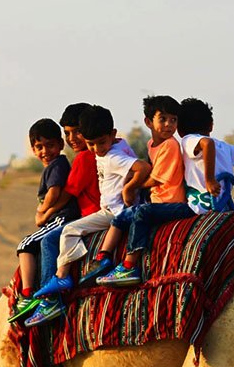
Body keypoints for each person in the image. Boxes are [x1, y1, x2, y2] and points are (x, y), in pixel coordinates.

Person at [26, 105, 151, 326]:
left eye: (76, 132)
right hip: (108, 209)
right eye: (68, 133)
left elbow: (67, 193)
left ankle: (50, 298)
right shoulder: (110, 149)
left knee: (49, 241)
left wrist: (44, 213)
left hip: (101, 212)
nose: (73, 138)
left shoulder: (88, 157)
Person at [86, 95, 189, 286]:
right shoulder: (152, 145)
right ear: (148, 122)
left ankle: (129, 265)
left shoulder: (170, 145)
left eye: (173, 120)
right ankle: (103, 257)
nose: (169, 125)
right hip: (158, 202)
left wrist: (131, 186)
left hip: (173, 203)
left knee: (141, 212)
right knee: (122, 217)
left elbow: (155, 178)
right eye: (163, 119)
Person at [8, 119, 80, 322]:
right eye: (39, 147)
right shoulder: (55, 166)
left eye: (50, 145)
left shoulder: (57, 165)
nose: (45, 151)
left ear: (60, 145)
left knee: (25, 244)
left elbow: (54, 192)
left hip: (61, 218)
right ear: (33, 149)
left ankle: (29, 295)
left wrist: (42, 210)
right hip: (57, 217)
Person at [176, 97, 234, 216]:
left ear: (179, 131)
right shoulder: (223, 146)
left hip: (199, 208)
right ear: (211, 126)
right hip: (226, 207)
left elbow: (207, 144)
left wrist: (209, 180)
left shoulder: (188, 140)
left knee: (148, 213)